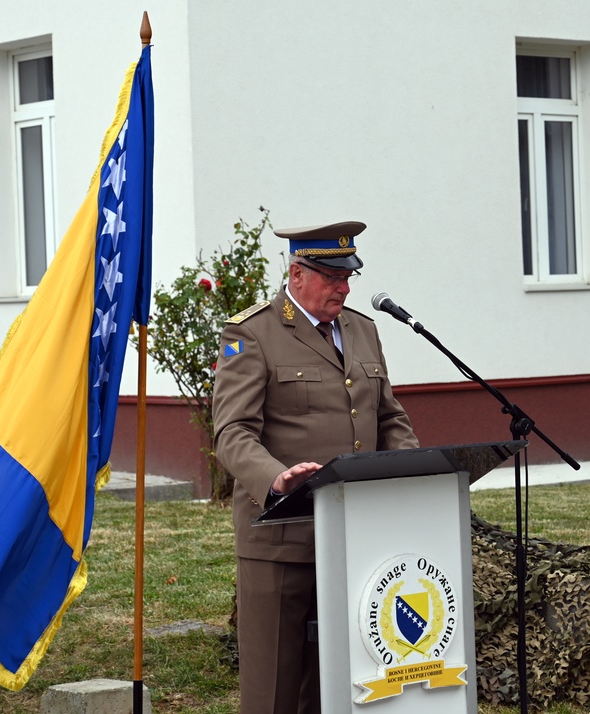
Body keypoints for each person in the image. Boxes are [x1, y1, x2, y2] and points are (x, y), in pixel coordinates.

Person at [211, 220, 419, 714]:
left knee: (341, 687)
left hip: (353, 538)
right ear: (297, 272)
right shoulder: (252, 333)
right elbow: (232, 432)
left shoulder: (363, 330)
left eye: (348, 276)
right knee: (275, 690)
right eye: (332, 277)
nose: (344, 287)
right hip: (281, 538)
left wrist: (414, 468)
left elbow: (388, 417)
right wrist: (273, 478)